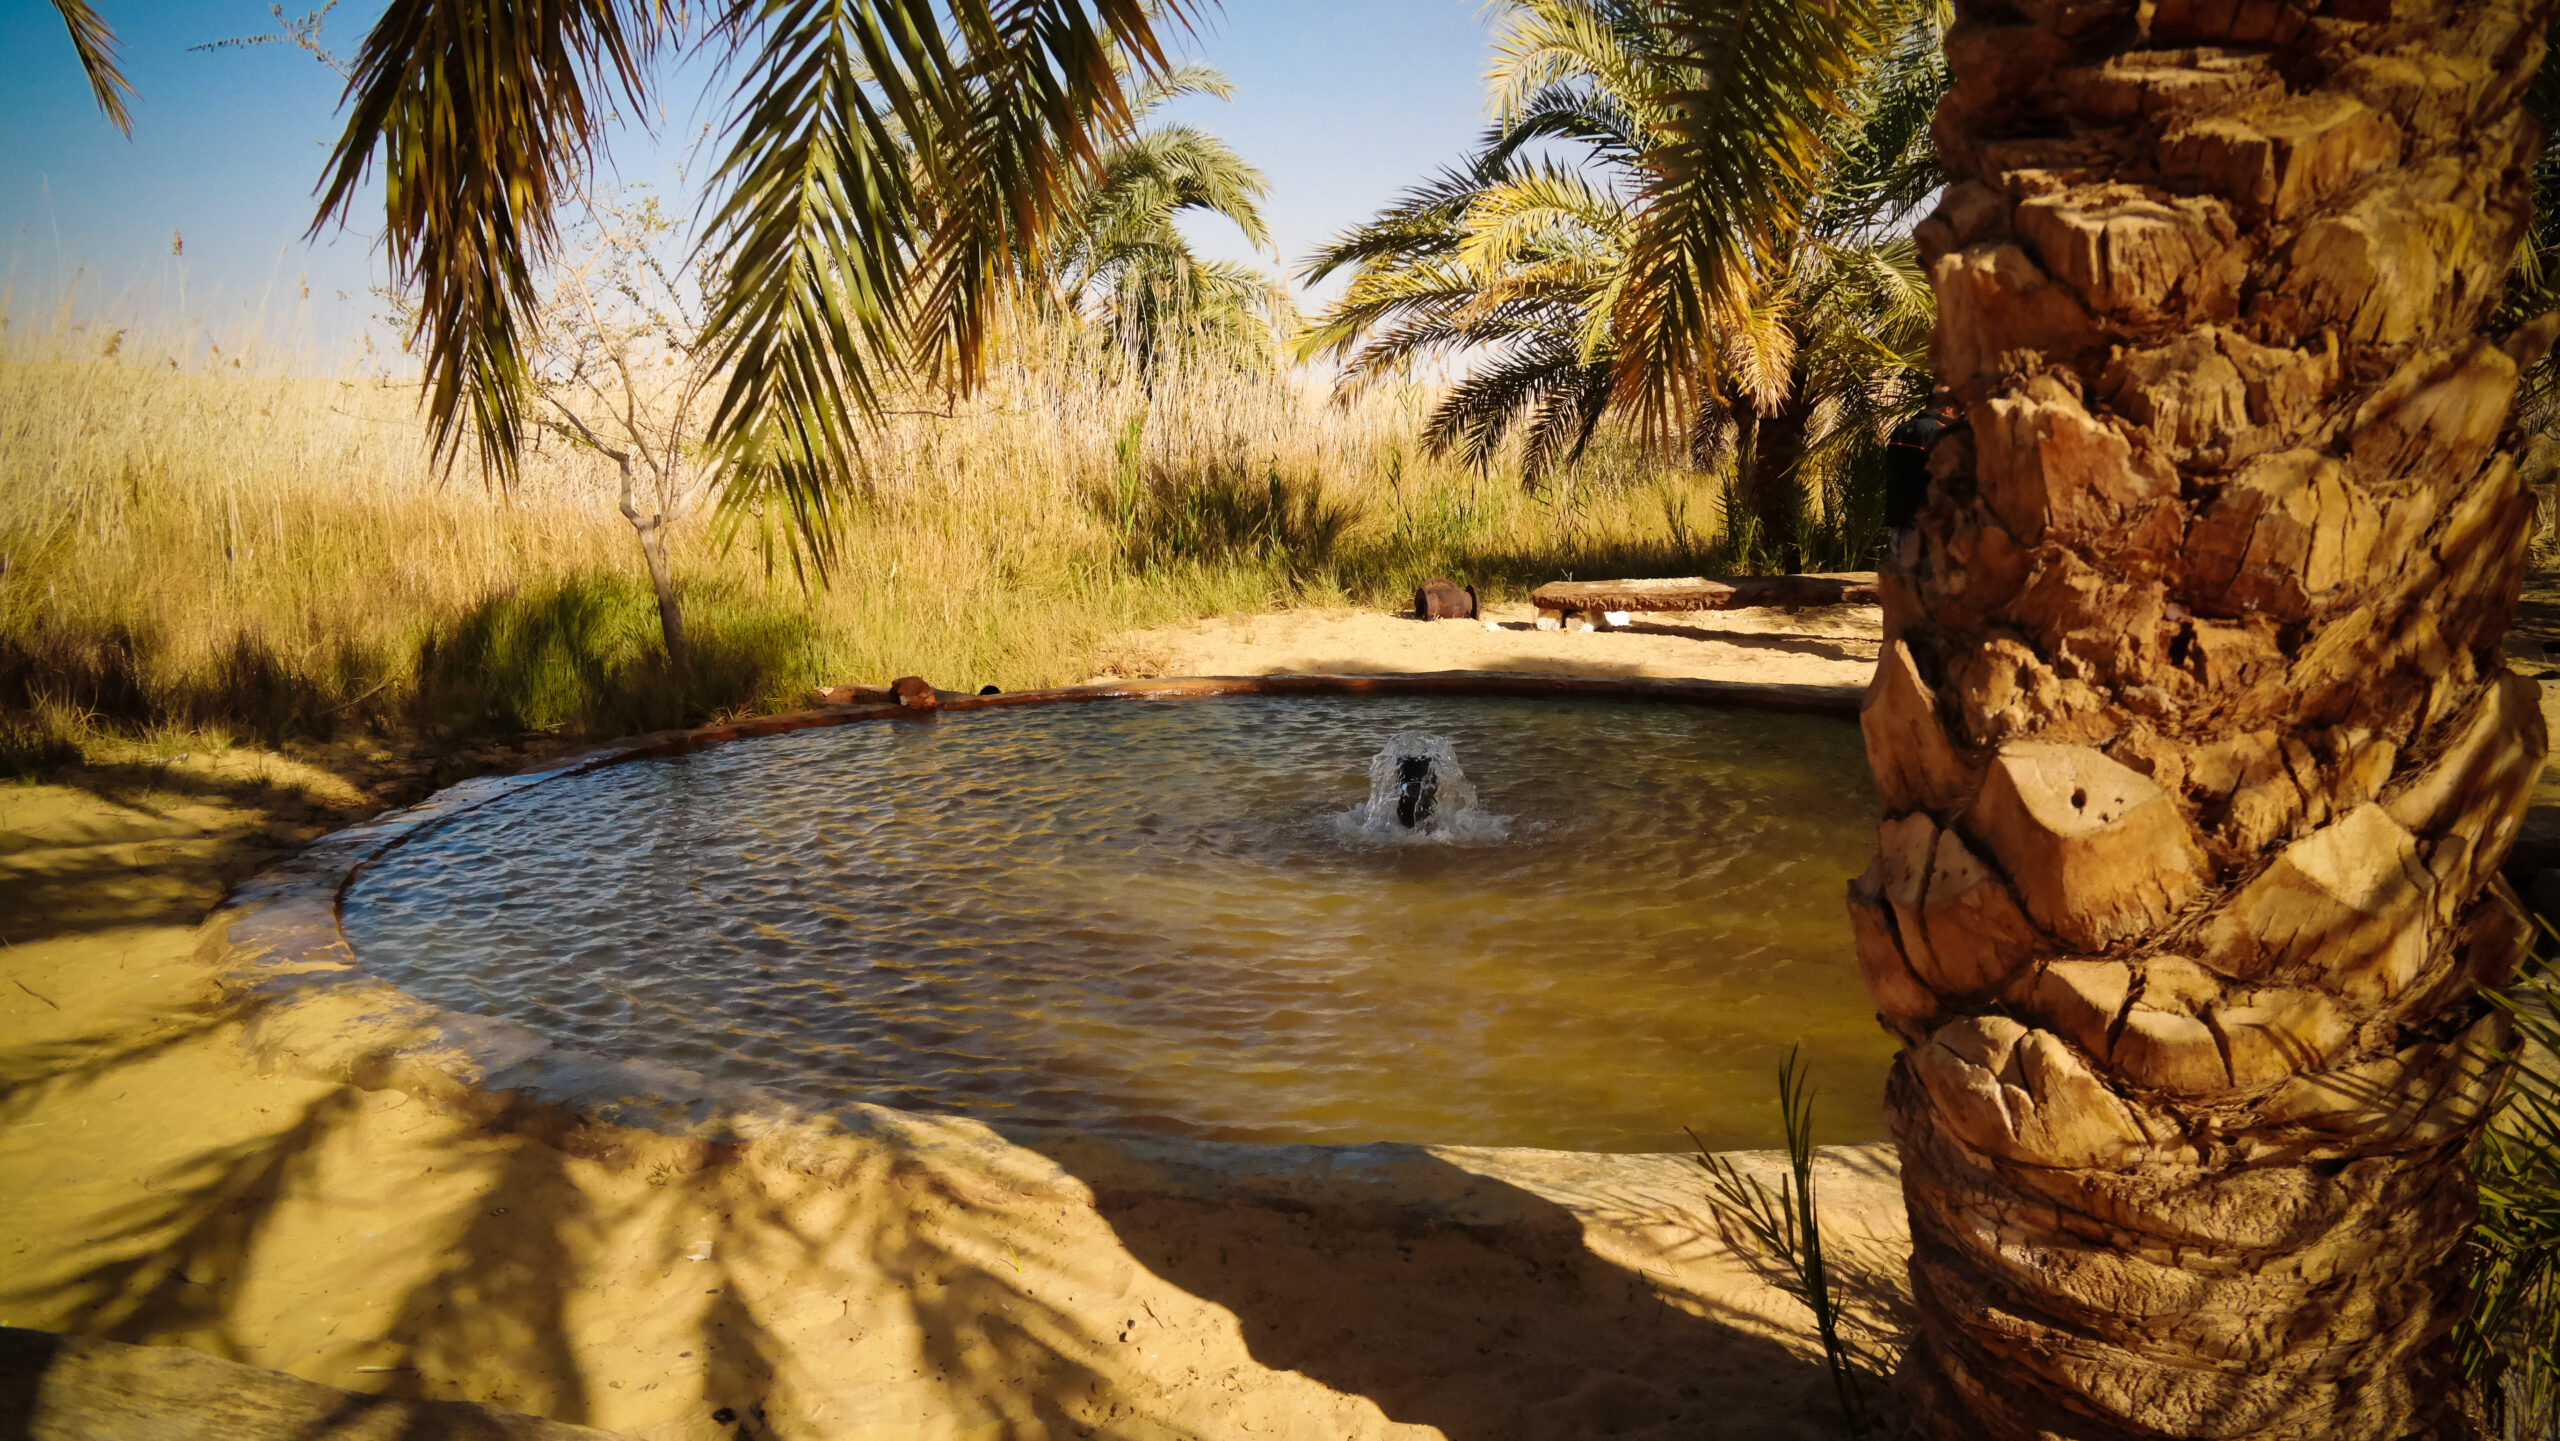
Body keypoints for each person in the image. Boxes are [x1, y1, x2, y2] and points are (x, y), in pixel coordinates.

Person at [1884, 386, 1960, 566]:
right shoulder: (1939, 434)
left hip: (1900, 521)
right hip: (1927, 527)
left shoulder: (1901, 430)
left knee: (1905, 585)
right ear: (1947, 409)